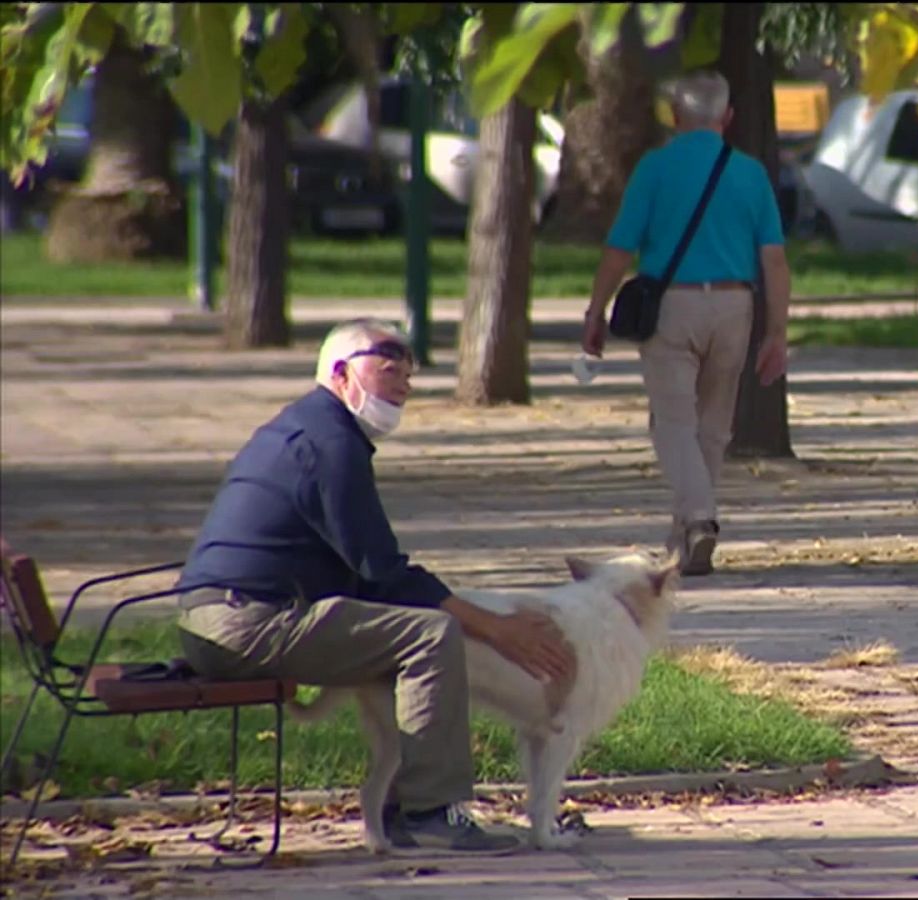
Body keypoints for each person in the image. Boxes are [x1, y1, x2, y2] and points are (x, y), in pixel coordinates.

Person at [174, 318, 577, 853]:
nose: (403, 381)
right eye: (388, 367)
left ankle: (394, 809)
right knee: (431, 636)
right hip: (247, 623)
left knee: (408, 629)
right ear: (340, 374)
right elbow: (382, 568)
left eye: (409, 372)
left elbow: (368, 576)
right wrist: (493, 628)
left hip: (220, 621)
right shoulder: (329, 442)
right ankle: (434, 811)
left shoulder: (307, 428)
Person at [582, 70, 791, 576]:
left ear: (675, 116)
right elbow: (775, 261)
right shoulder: (751, 174)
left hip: (671, 308)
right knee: (714, 428)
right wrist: (776, 333)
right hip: (734, 306)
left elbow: (619, 250)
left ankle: (699, 517)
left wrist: (596, 311)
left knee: (673, 423)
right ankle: (683, 541)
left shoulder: (654, 170)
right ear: (728, 118)